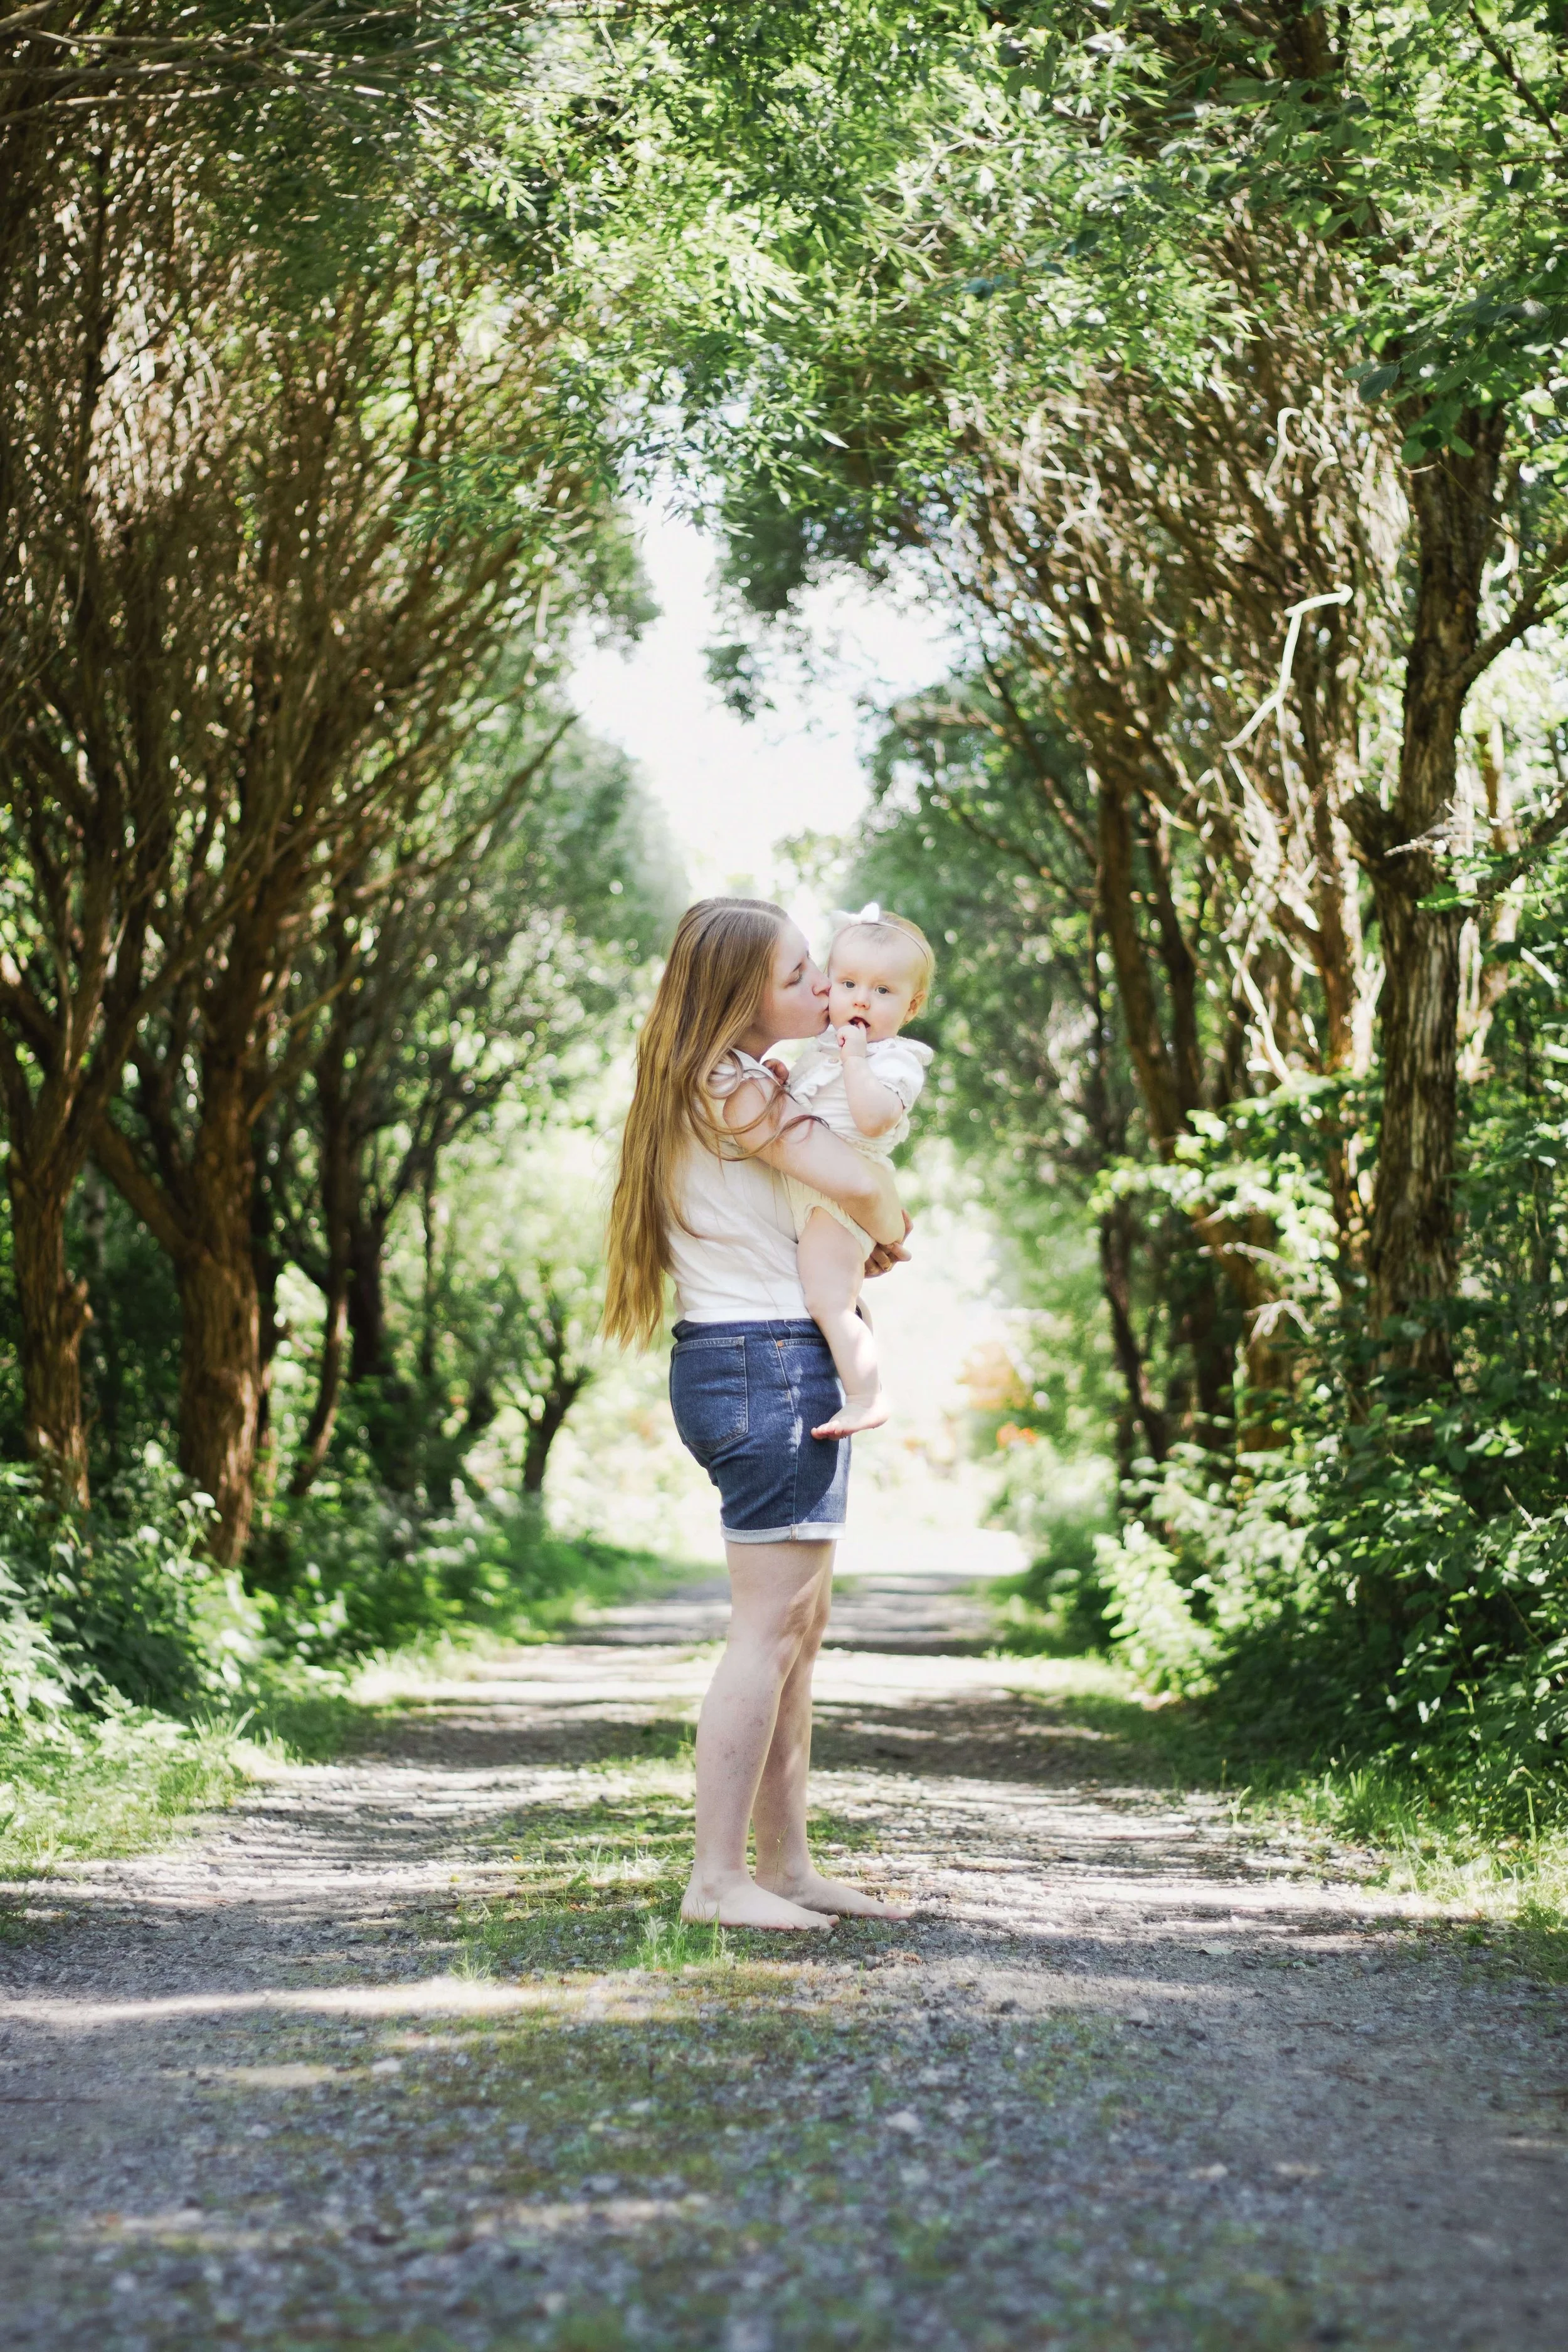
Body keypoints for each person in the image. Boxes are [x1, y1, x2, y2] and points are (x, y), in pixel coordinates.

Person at [604, 896, 913, 1931]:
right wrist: (895, 1222)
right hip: (769, 1359)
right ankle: (717, 1880)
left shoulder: (720, 1081)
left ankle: (783, 1865)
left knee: (799, 1631)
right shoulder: (729, 1086)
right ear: (739, 995)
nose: (825, 992)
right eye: (799, 978)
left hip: (755, 1357)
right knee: (766, 1629)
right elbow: (858, 1181)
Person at [780, 906, 935, 1440]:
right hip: (809, 1188)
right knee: (828, 1293)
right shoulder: (821, 1048)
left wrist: (855, 1060)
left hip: (839, 1194)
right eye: (848, 983)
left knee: (825, 1298)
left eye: (883, 991)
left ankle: (868, 1395)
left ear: (911, 1006)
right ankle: (856, 1324)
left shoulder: (897, 1061)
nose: (862, 1000)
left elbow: (871, 1120)